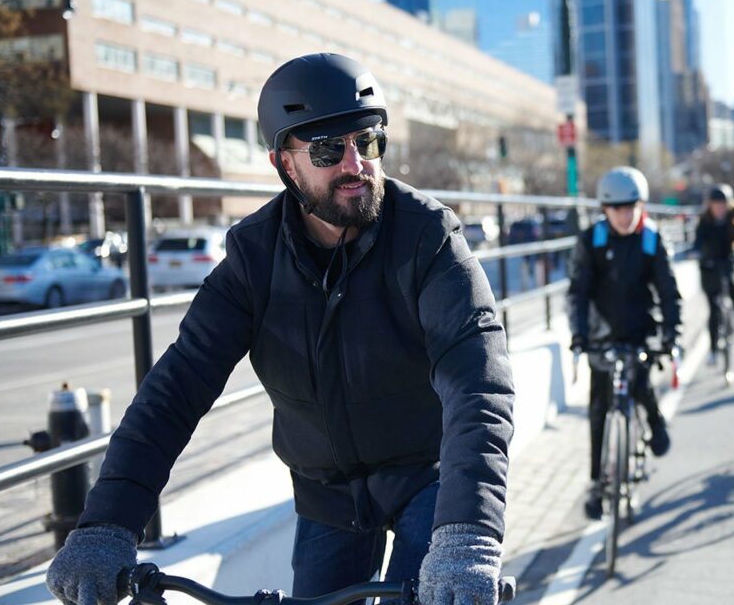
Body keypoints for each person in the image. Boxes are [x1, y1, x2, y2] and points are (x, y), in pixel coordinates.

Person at [45, 53, 514, 605]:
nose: (355, 163)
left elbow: (477, 385)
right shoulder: (254, 258)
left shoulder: (428, 239)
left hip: (427, 477)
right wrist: (107, 524)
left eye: (367, 141)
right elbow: (174, 391)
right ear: (283, 164)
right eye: (326, 149)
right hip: (326, 492)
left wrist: (468, 537)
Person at [567, 167, 681, 519]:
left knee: (641, 382)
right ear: (605, 209)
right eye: (617, 208)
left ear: (641, 205)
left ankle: (655, 421)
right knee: (600, 408)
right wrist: (579, 335)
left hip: (641, 331)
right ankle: (597, 484)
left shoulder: (651, 239)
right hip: (601, 337)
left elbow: (668, 293)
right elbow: (578, 293)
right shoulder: (592, 241)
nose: (625, 214)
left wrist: (671, 335)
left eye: (632, 206)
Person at [693, 184, 734, 366]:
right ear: (710, 205)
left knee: (733, 284)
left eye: (723, 204)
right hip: (709, 266)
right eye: (716, 204)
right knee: (713, 309)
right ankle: (713, 350)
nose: (719, 208)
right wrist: (697, 253)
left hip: (729, 262)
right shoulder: (704, 222)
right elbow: (697, 243)